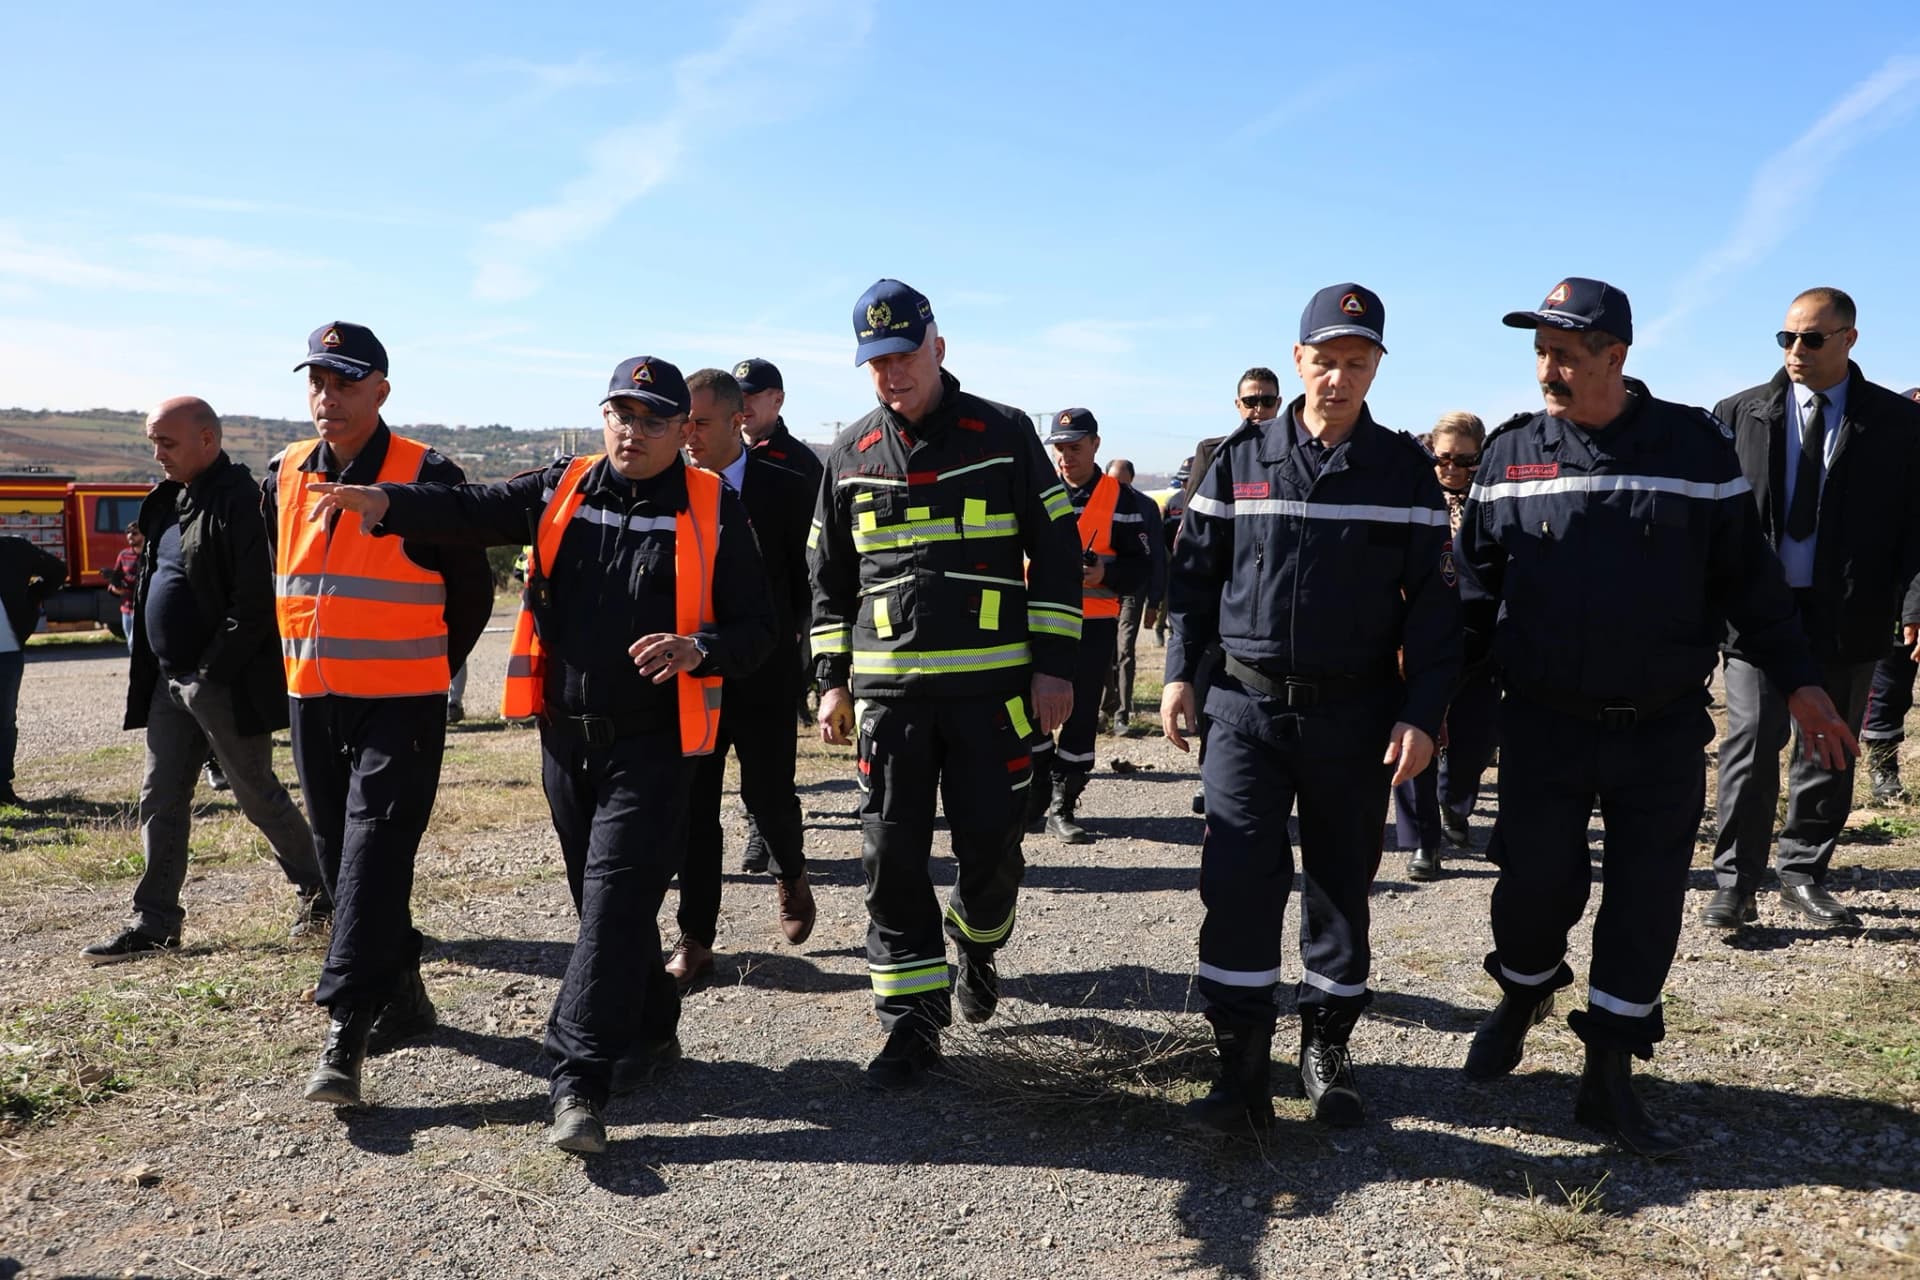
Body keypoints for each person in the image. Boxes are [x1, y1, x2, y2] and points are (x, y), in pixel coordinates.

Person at [308, 353, 775, 1155]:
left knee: (616, 898)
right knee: (603, 910)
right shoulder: (565, 485)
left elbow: (760, 631)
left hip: (657, 744)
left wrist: (701, 647)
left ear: (682, 433)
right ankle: (653, 1029)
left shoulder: (714, 510)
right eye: (620, 414)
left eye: (653, 420)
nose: (632, 432)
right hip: (567, 738)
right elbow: (468, 508)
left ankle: (578, 1083)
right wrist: (384, 501)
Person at [1457, 277, 1855, 1159]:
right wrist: (1434, 704)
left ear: (1615, 356)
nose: (1548, 367)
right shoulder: (1509, 453)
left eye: (1565, 351)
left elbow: (1747, 583)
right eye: (1540, 350)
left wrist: (1800, 681)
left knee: (1643, 906)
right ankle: (1524, 992)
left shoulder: (1692, 447)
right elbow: (1474, 598)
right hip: (1543, 725)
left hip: (1661, 727)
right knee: (1531, 888)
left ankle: (1609, 1073)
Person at [1162, 284, 1459, 1132]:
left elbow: (1436, 610)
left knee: (1339, 886)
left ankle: (1326, 1045)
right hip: (1246, 713)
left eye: (1355, 364)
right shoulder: (1239, 459)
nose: (1338, 379)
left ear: (1375, 369)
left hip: (1354, 718)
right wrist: (1182, 671)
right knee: (1239, 881)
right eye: (1324, 361)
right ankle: (1241, 1066)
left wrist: (1422, 712)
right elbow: (1192, 582)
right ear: (1299, 361)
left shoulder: (1402, 471)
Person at [810, 279, 1082, 1087]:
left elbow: (1059, 551)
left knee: (991, 856)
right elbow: (827, 579)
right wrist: (830, 681)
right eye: (876, 362)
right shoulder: (850, 454)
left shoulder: (1004, 433)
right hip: (889, 705)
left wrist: (1055, 667)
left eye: (903, 356)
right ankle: (911, 1026)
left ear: (938, 346)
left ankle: (979, 941)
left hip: (993, 699)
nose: (892, 374)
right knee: (889, 861)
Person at [262, 322, 493, 1110]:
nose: (328, 398)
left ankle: (346, 1026)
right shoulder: (285, 471)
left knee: (375, 850)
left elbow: (471, 592)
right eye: (317, 383)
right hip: (313, 699)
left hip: (401, 701)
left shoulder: (426, 473)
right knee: (340, 856)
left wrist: (427, 663)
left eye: (345, 383)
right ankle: (405, 993)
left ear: (381, 391)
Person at [82, 397, 329, 964]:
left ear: (207, 440)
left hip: (219, 683)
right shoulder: (167, 500)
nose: (157, 454)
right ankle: (154, 921)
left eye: (166, 443)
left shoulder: (241, 501)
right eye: (153, 442)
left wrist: (211, 670)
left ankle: (323, 895)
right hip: (169, 682)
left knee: (257, 795)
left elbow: (254, 600)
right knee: (160, 796)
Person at [1707, 294, 1920, 930]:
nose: (1795, 351)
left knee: (1828, 745)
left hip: (1849, 613)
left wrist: (1915, 603)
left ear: (1849, 339)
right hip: (1757, 615)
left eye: (1812, 340)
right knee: (1749, 739)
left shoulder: (1898, 424)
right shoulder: (1738, 415)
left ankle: (1802, 872)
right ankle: (1735, 883)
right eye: (1786, 338)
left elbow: (1916, 526)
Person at [667, 367, 817, 991]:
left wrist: (805, 658)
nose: (689, 435)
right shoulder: (664, 487)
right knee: (694, 809)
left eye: (700, 422)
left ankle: (791, 870)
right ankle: (696, 940)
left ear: (738, 420)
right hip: (693, 675)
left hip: (765, 672)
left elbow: (809, 581)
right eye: (684, 423)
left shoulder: (787, 486)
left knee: (767, 794)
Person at [1027, 411, 1154, 843]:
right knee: (1029, 714)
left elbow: (1143, 568)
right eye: (1059, 449)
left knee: (1080, 717)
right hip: (1037, 624)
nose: (1065, 457)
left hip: (1092, 626)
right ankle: (1038, 790)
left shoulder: (1121, 498)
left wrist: (1104, 574)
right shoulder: (1037, 490)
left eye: (1074, 448)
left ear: (1095, 445)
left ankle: (1064, 803)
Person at [1389, 411, 1501, 881]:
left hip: (1480, 641)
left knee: (1473, 744)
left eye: (1464, 460)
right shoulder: (1411, 499)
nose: (1452, 468)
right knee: (1415, 733)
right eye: (1443, 458)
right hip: (1417, 639)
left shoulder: (1496, 502)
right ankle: (1424, 843)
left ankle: (1456, 803)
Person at [1177, 367, 1284, 817]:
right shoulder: (1216, 452)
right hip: (1223, 596)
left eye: (1267, 401)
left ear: (1279, 403)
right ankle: (1212, 774)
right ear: (1237, 405)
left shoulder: (1292, 455)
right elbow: (1193, 527)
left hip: (1263, 603)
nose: (1258, 409)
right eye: (1250, 401)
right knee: (1210, 692)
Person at [735, 356, 827, 840]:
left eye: (754, 395)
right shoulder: (709, 457)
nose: (745, 404)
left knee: (768, 745)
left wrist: (803, 621)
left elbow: (814, 553)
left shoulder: (799, 465)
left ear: (778, 400)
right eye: (739, 395)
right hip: (721, 625)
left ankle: (765, 831)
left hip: (778, 624)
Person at [1098, 457, 1166, 736]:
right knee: (1104, 651)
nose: (1118, 489)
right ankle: (1104, 708)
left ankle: (1122, 715)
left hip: (1132, 591)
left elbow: (1158, 558)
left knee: (1125, 649)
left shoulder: (1146, 507)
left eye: (1123, 483)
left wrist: (1155, 600)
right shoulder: (1096, 502)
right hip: (1101, 590)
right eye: (1113, 483)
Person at [0, 534, 66, 807]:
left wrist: (33, 598)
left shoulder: (15, 549)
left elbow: (58, 571)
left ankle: (2, 789)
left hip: (5, 648)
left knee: (3, 721)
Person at [104, 523, 142, 653]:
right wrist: (114, 588)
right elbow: (115, 579)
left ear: (143, 535)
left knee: (134, 643)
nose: (130, 535)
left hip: (142, 608)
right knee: (131, 645)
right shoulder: (123, 555)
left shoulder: (151, 555)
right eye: (128, 532)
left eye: (135, 533)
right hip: (126, 608)